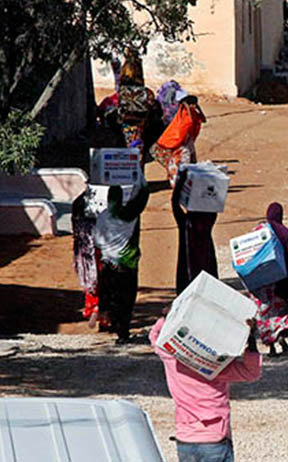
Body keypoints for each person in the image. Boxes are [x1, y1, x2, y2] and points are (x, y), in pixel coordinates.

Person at [150, 311, 262, 462]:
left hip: (185, 439)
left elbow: (155, 336)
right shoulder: (215, 365)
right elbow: (251, 372)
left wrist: (170, 315)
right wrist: (251, 340)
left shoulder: (170, 357)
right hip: (214, 438)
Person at [94, 181, 150, 344]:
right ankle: (122, 332)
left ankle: (113, 324)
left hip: (107, 264)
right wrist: (140, 178)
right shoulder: (128, 215)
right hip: (126, 265)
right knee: (126, 299)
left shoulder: (103, 215)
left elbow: (97, 240)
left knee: (112, 297)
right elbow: (143, 197)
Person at [251, 202, 288, 356]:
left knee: (265, 314)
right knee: (281, 311)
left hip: (262, 283)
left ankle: (271, 346)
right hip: (280, 282)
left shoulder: (259, 231)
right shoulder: (284, 232)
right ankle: (282, 336)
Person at [172, 169, 218, 294]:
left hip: (188, 274)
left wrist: (181, 180)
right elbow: (214, 206)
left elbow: (174, 203)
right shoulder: (207, 221)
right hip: (208, 272)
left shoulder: (185, 222)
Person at [115, 49, 164, 163]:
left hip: (126, 128)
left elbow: (120, 114)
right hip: (141, 128)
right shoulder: (146, 93)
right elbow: (156, 111)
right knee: (139, 154)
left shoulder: (122, 93)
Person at [152, 93, 206, 186]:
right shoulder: (185, 114)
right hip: (178, 143)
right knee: (179, 164)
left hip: (181, 143)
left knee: (179, 164)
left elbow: (201, 119)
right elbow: (189, 124)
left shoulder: (186, 113)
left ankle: (179, 182)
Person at [72, 192, 107, 329]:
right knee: (104, 282)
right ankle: (103, 313)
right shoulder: (98, 215)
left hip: (84, 255)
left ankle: (93, 307)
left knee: (90, 283)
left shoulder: (77, 214)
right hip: (98, 252)